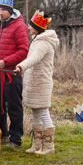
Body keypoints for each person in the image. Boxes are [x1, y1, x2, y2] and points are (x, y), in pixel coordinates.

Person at [14, 11, 59, 155]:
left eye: (31, 25)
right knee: (36, 112)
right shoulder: (37, 40)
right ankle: (37, 144)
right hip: (35, 82)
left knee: (43, 113)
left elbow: (33, 59)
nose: (28, 27)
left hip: (41, 83)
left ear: (37, 27)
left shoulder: (43, 43)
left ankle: (48, 146)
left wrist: (21, 67)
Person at [0, 0, 29, 149]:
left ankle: (16, 138)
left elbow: (24, 51)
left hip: (12, 75)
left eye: (3, 10)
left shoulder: (19, 26)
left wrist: (6, 62)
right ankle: (2, 133)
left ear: (10, 11)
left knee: (14, 106)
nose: (0, 13)